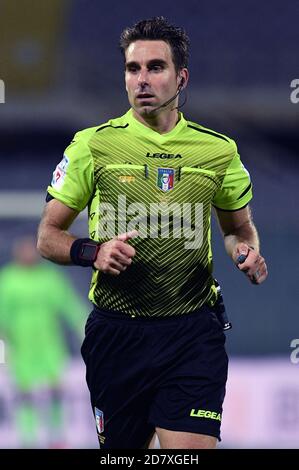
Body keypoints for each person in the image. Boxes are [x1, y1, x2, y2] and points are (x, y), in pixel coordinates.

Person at [37, 17, 268, 449]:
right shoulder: (93, 145)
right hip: (116, 334)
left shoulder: (218, 151)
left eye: (155, 67)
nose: (142, 79)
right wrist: (93, 252)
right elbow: (48, 236)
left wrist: (247, 254)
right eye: (132, 68)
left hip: (192, 333)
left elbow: (239, 230)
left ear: (181, 78)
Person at [0, 236, 86, 447]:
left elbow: (70, 305)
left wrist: (86, 328)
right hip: (22, 348)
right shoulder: (8, 280)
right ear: (17, 252)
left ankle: (56, 437)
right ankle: (28, 439)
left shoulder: (49, 278)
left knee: (56, 391)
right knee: (25, 394)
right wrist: (4, 349)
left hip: (49, 345)